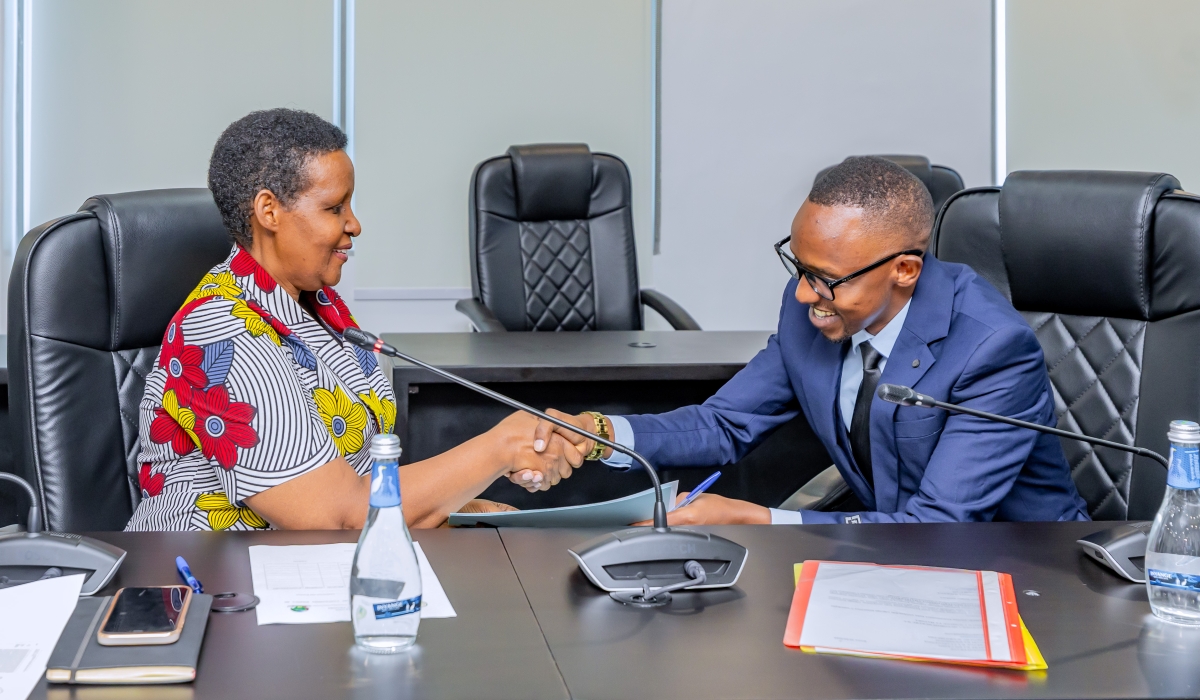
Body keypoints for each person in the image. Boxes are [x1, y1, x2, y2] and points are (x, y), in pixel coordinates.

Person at [529, 156, 1090, 525]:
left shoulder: (992, 350)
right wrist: (599, 433)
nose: (802, 294)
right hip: (889, 556)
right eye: (798, 267)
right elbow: (725, 423)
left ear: (905, 270)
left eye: (825, 278)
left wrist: (761, 520)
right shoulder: (816, 310)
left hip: (1024, 573)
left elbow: (938, 526)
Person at [126, 109, 579, 532]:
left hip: (307, 568)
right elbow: (333, 514)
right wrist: (497, 449)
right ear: (269, 211)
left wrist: (459, 503)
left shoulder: (318, 306)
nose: (355, 224)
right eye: (334, 207)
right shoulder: (223, 333)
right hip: (207, 581)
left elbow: (356, 475)